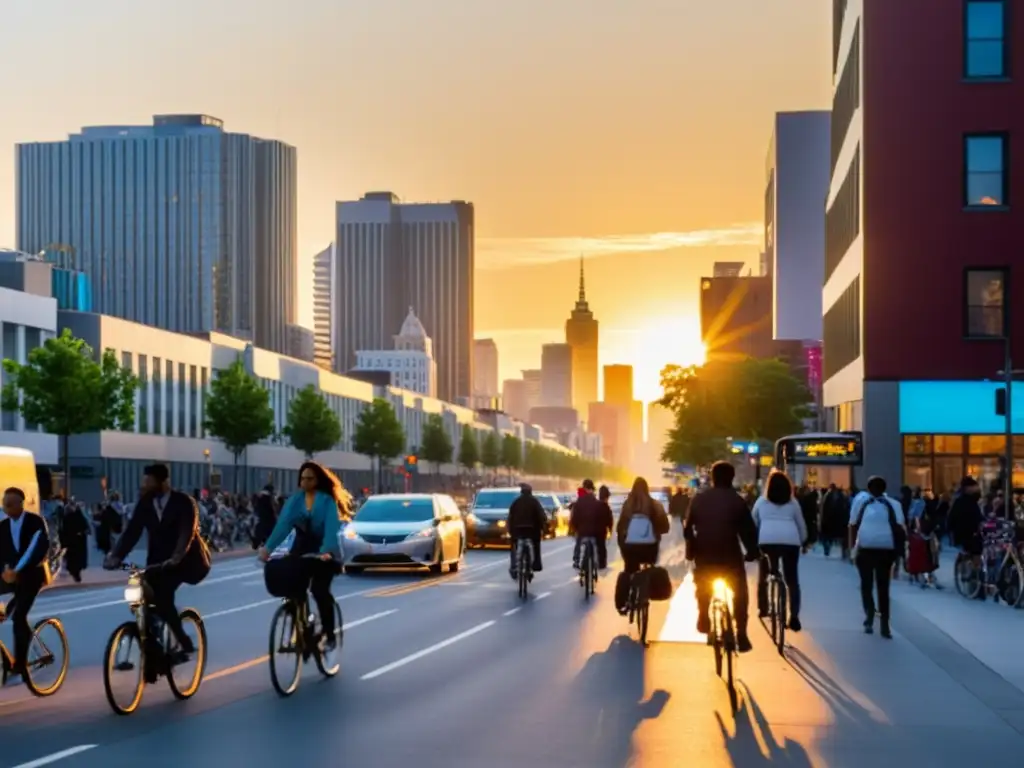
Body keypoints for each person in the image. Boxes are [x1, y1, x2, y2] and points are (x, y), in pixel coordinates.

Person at [105, 464, 211, 677]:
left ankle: (185, 643)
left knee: (162, 597)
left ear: (163, 482)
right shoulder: (145, 503)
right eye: (144, 481)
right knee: (141, 600)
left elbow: (186, 532)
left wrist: (178, 555)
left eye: (149, 481)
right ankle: (153, 655)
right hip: (157, 562)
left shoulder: (184, 502)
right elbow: (132, 531)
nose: (144, 485)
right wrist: (116, 556)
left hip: (186, 562)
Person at [258, 462, 347, 658]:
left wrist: (325, 551)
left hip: (325, 552)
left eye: (310, 478)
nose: (305, 482)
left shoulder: (326, 501)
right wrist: (267, 549)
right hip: (301, 551)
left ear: (318, 481)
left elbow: (331, 529)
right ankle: (303, 628)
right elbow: (283, 526)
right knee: (293, 588)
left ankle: (329, 635)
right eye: (303, 478)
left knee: (319, 589)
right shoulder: (295, 501)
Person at [683, 461, 759, 652]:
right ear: (732, 478)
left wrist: (691, 550)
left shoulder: (699, 499)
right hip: (730, 554)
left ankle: (703, 615)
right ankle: (741, 633)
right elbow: (748, 531)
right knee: (740, 591)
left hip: (704, 552)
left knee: (702, 583)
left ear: (712, 478)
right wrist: (752, 551)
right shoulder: (738, 501)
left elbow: (688, 529)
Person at [0, 487, 51, 679]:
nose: (6, 507)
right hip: (10, 577)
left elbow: (36, 550)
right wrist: (5, 571)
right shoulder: (3, 527)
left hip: (32, 577)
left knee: (18, 617)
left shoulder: (35, 522)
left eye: (10, 504)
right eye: (4, 503)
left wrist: (17, 570)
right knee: (9, 613)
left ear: (21, 504)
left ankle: (20, 664)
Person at [849, 475, 906, 638]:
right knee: (883, 587)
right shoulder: (894, 504)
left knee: (866, 585)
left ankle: (869, 616)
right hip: (886, 550)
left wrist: (852, 548)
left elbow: (853, 524)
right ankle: (885, 624)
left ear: (868, 489)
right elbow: (900, 527)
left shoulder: (860, 502)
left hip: (865, 549)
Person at [752, 469, 807, 632]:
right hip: (791, 542)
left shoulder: (761, 502)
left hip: (767, 542)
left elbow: (753, 521)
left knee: (764, 575)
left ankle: (763, 608)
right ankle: (794, 616)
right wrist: (803, 540)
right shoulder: (793, 503)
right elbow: (801, 525)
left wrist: (754, 543)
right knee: (792, 580)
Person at [615, 477, 671, 613]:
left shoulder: (627, 505)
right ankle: (647, 593)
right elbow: (665, 527)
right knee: (650, 566)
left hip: (630, 549)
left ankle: (626, 601)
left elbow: (620, 527)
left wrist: (623, 543)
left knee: (629, 571)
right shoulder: (655, 505)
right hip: (649, 549)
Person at [570, 479, 614, 570]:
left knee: (579, 542)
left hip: (582, 531)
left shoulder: (579, 503)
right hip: (595, 532)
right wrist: (608, 528)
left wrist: (574, 528)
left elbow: (574, 518)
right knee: (599, 545)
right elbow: (604, 518)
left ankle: (577, 560)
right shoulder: (598, 504)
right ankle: (600, 563)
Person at [507, 483, 547, 579]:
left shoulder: (516, 502)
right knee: (536, 546)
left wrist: (510, 531)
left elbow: (510, 518)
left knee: (514, 548)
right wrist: (543, 528)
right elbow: (542, 517)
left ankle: (514, 567)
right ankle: (534, 565)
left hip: (517, 532)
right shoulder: (535, 502)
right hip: (532, 532)